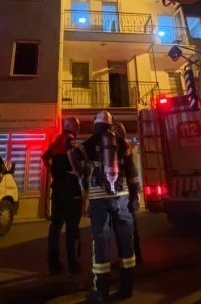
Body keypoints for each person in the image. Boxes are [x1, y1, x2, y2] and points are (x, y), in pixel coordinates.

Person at [74, 110, 140, 302]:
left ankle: (100, 291)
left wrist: (81, 176)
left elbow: (75, 156)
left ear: (96, 125)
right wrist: (134, 195)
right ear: (111, 125)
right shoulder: (122, 143)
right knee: (126, 243)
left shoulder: (90, 142)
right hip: (122, 198)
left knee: (101, 243)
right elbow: (132, 172)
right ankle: (127, 288)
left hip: (99, 199)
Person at [41, 117, 83, 276]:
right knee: (72, 227)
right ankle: (73, 263)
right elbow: (71, 153)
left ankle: (53, 264)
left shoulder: (56, 141)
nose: (78, 129)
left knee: (55, 226)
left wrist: (52, 170)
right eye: (77, 126)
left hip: (57, 188)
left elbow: (44, 157)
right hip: (70, 190)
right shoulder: (70, 140)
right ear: (71, 127)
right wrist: (76, 171)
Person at [113, 122, 143, 265]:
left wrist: (135, 190)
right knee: (126, 226)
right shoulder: (122, 145)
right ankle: (130, 256)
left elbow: (130, 170)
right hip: (125, 192)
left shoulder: (122, 146)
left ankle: (131, 257)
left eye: (117, 129)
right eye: (113, 129)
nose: (114, 132)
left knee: (127, 226)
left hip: (126, 193)